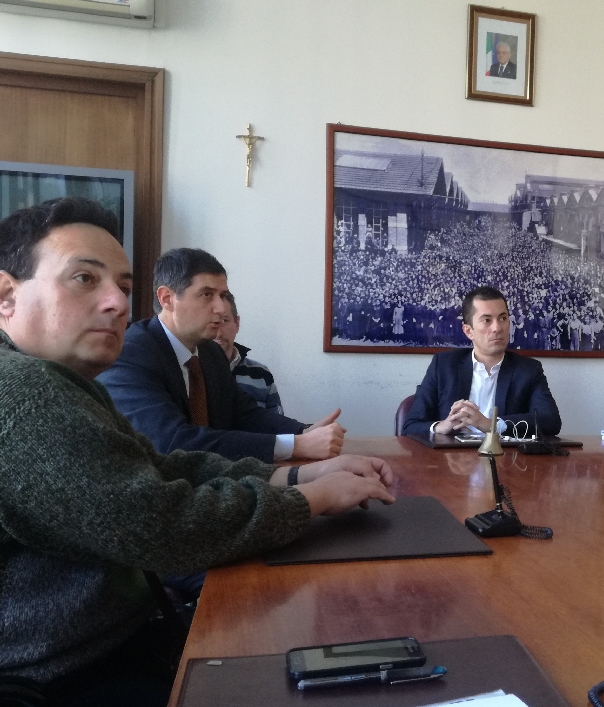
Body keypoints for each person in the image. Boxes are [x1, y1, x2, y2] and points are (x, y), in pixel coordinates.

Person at [0, 197, 395, 704]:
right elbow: (161, 523)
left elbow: (162, 465)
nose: (118, 303)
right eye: (84, 279)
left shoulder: (68, 380)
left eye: (123, 286)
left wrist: (300, 476)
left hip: (119, 637)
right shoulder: (24, 391)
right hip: (66, 674)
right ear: (7, 295)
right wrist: (312, 499)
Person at [97, 248, 345, 463]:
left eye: (223, 295)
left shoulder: (210, 353)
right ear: (167, 298)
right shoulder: (131, 353)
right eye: (207, 295)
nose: (220, 307)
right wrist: (296, 446)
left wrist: (304, 432)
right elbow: (173, 443)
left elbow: (244, 414)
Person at [402, 285, 561, 437]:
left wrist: (492, 424)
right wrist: (440, 426)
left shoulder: (529, 369)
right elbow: (411, 426)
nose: (497, 328)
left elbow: (550, 421)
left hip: (507, 461)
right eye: (487, 320)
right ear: (468, 331)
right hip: (452, 461)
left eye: (503, 318)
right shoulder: (443, 365)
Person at [213, 291, 285, 415]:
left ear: (237, 323)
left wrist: (303, 431)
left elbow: (278, 427)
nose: (218, 333)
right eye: (213, 322)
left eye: (224, 320)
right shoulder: (193, 372)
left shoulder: (261, 374)